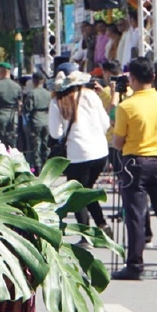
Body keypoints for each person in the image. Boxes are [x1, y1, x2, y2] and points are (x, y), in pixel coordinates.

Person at [111, 56, 157, 281]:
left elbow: (118, 142)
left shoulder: (126, 106)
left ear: (131, 78)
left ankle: (135, 264)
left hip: (136, 162)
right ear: (153, 76)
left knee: (135, 215)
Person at [48, 70, 111, 234]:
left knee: (76, 194)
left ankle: (85, 234)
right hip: (100, 151)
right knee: (86, 189)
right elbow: (105, 123)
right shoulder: (91, 95)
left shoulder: (57, 101)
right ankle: (102, 224)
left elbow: (56, 133)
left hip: (78, 153)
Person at [21, 72, 52, 171]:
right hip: (46, 121)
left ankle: (38, 166)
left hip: (35, 121)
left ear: (33, 81)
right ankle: (46, 164)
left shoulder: (32, 93)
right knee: (45, 144)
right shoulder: (48, 93)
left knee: (36, 145)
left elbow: (27, 109)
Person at [0, 63, 22, 148]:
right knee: (11, 143)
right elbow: (20, 104)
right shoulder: (17, 87)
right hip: (13, 118)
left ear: (2, 72)